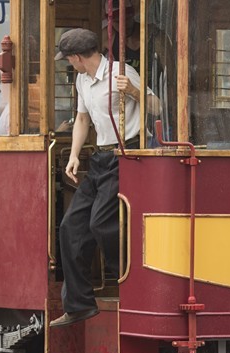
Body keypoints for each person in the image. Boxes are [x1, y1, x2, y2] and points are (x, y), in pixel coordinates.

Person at [50, 28, 160, 327]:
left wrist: (133, 91)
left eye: (68, 59)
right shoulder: (82, 79)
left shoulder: (123, 73)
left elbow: (159, 107)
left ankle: (133, 283)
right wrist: (74, 154)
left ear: (76, 57)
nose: (69, 64)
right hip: (101, 158)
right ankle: (79, 305)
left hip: (127, 155)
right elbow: (83, 119)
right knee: (70, 227)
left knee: (102, 224)